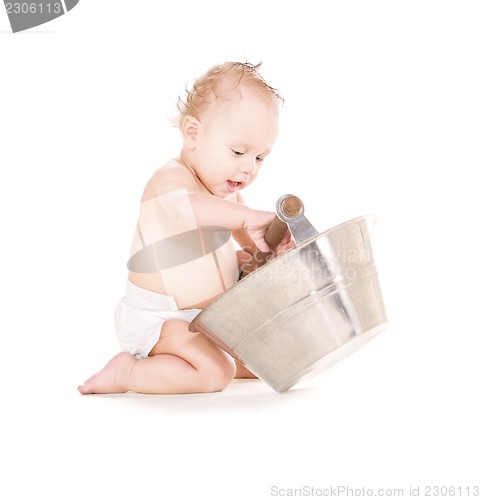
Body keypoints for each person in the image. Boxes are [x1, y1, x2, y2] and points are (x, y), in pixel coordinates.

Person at [78, 62, 290, 395]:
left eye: (260, 158)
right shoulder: (171, 179)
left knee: (267, 358)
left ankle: (211, 355)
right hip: (161, 321)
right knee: (216, 372)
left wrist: (271, 248)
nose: (248, 168)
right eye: (238, 151)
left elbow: (252, 243)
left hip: (207, 320)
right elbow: (186, 209)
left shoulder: (230, 195)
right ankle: (128, 372)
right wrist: (243, 218)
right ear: (193, 133)